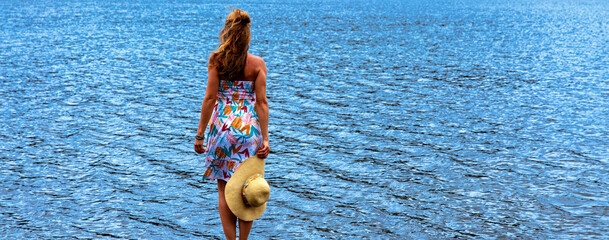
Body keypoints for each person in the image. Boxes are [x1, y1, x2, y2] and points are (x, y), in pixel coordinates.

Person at [194, 8, 270, 240]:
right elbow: (262, 103)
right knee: (249, 187)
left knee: (223, 189)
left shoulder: (217, 61)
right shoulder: (257, 64)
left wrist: (200, 135)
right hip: (249, 132)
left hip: (223, 131)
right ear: (248, 35)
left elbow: (209, 98)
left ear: (226, 32)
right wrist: (265, 138)